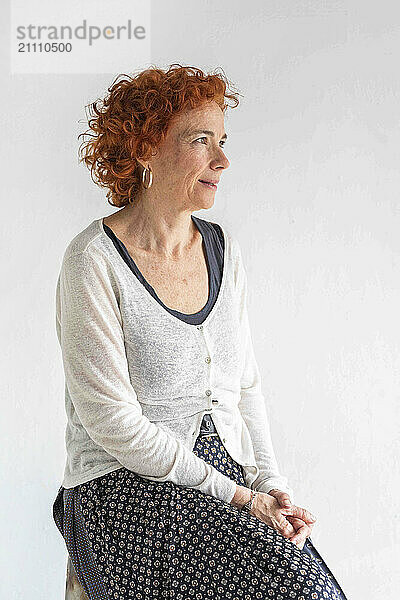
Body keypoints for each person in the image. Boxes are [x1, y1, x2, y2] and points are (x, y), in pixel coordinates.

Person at [52, 64, 348, 599]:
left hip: (224, 481)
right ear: (146, 149)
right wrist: (238, 497)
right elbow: (112, 422)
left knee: (313, 592)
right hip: (122, 489)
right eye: (201, 140)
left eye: (223, 141)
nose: (222, 160)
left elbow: (245, 385)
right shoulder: (92, 261)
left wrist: (270, 487)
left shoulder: (221, 248)